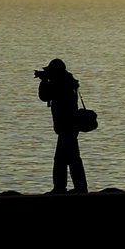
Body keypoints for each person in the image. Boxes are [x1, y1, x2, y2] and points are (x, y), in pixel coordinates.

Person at [36, 58, 88, 193]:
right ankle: (78, 187)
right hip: (70, 127)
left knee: (62, 159)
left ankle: (63, 187)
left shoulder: (60, 83)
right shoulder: (67, 82)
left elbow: (44, 96)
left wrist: (44, 81)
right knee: (71, 158)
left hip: (66, 127)